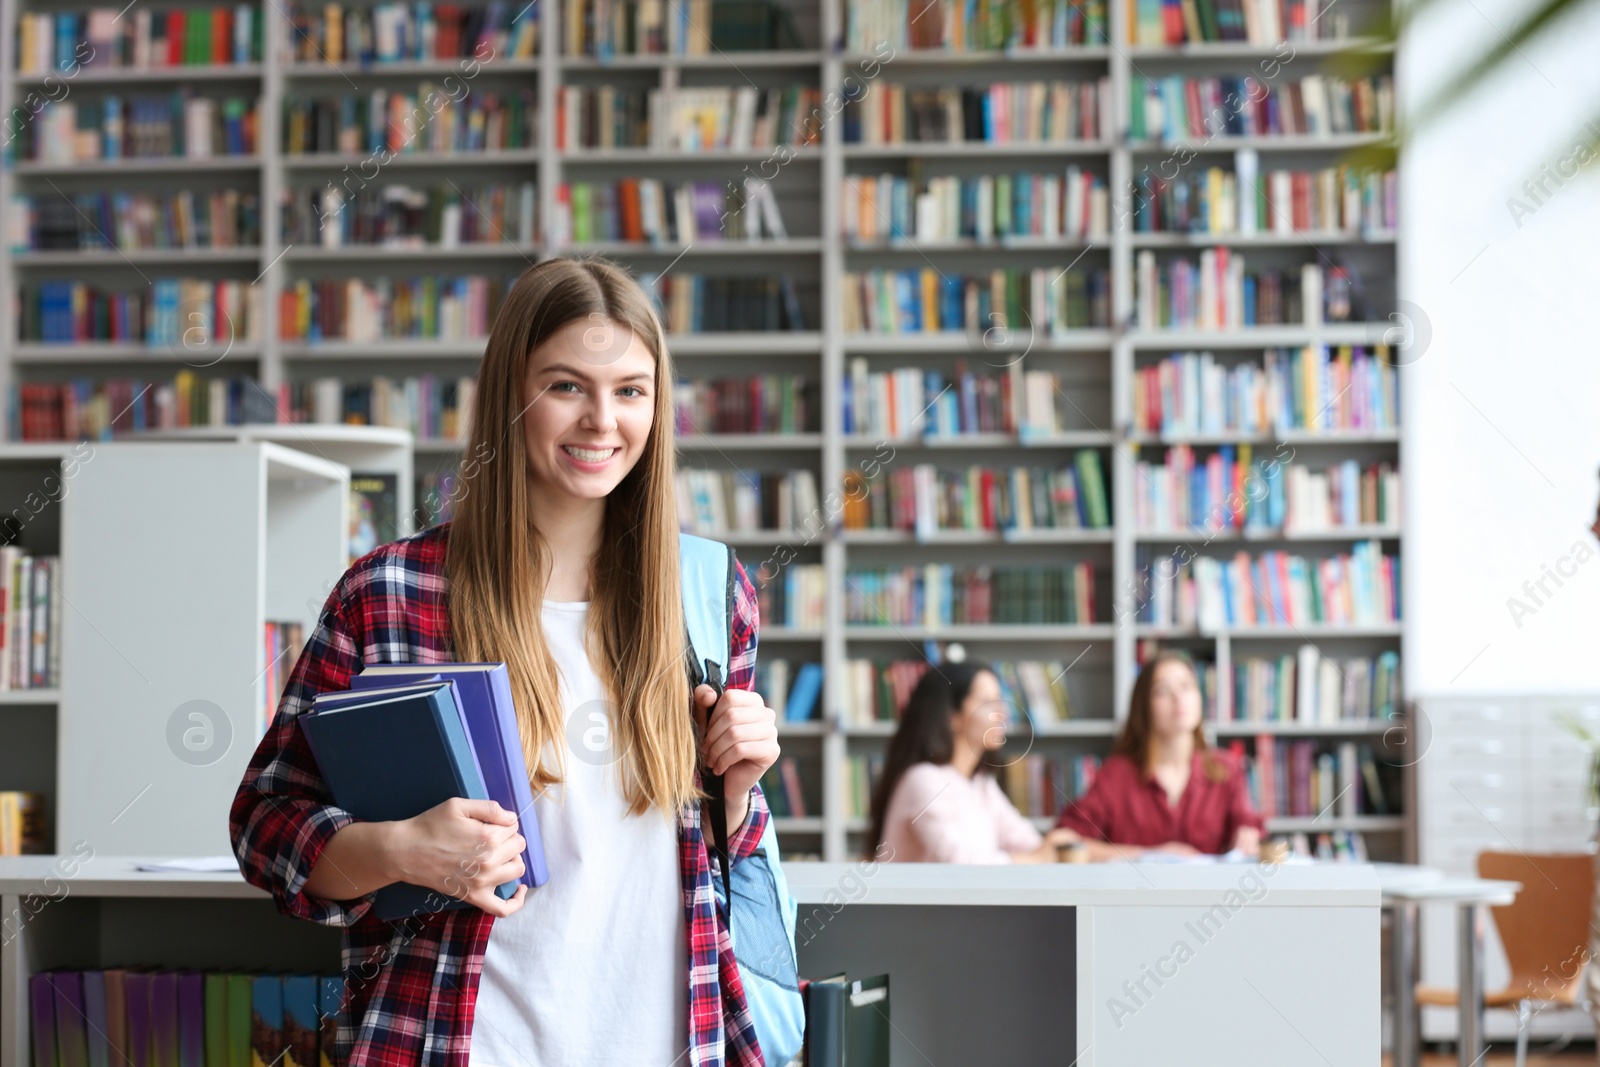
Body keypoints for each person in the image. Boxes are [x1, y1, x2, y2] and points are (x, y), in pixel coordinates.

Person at [229, 257, 782, 1067]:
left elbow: (723, 861)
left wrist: (738, 789)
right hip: (459, 1043)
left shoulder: (706, 593)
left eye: (631, 389)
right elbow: (264, 822)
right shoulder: (391, 592)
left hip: (667, 1040)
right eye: (567, 386)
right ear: (512, 395)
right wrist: (400, 850)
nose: (602, 420)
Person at [1055, 650, 1264, 859]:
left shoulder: (1226, 768)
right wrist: (1148, 855)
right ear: (1144, 706)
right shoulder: (1117, 774)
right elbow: (1065, 840)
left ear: (1199, 697)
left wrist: (1247, 837)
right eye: (1163, 691)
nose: (1178, 698)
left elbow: (1251, 830)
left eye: (1186, 686)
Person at [868, 661, 1078, 863]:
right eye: (988, 703)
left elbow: (1026, 842)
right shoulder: (923, 779)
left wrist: (1052, 848)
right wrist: (1035, 859)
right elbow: (958, 863)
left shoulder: (980, 784)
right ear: (951, 716)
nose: (1003, 713)